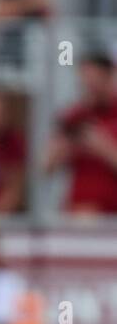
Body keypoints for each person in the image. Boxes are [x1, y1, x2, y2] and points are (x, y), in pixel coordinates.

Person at [46, 54, 117, 215]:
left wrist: (103, 147)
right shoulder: (73, 116)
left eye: (94, 82)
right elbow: (45, 167)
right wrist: (64, 146)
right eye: (85, 82)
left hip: (112, 219)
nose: (89, 88)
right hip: (76, 216)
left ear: (109, 78)